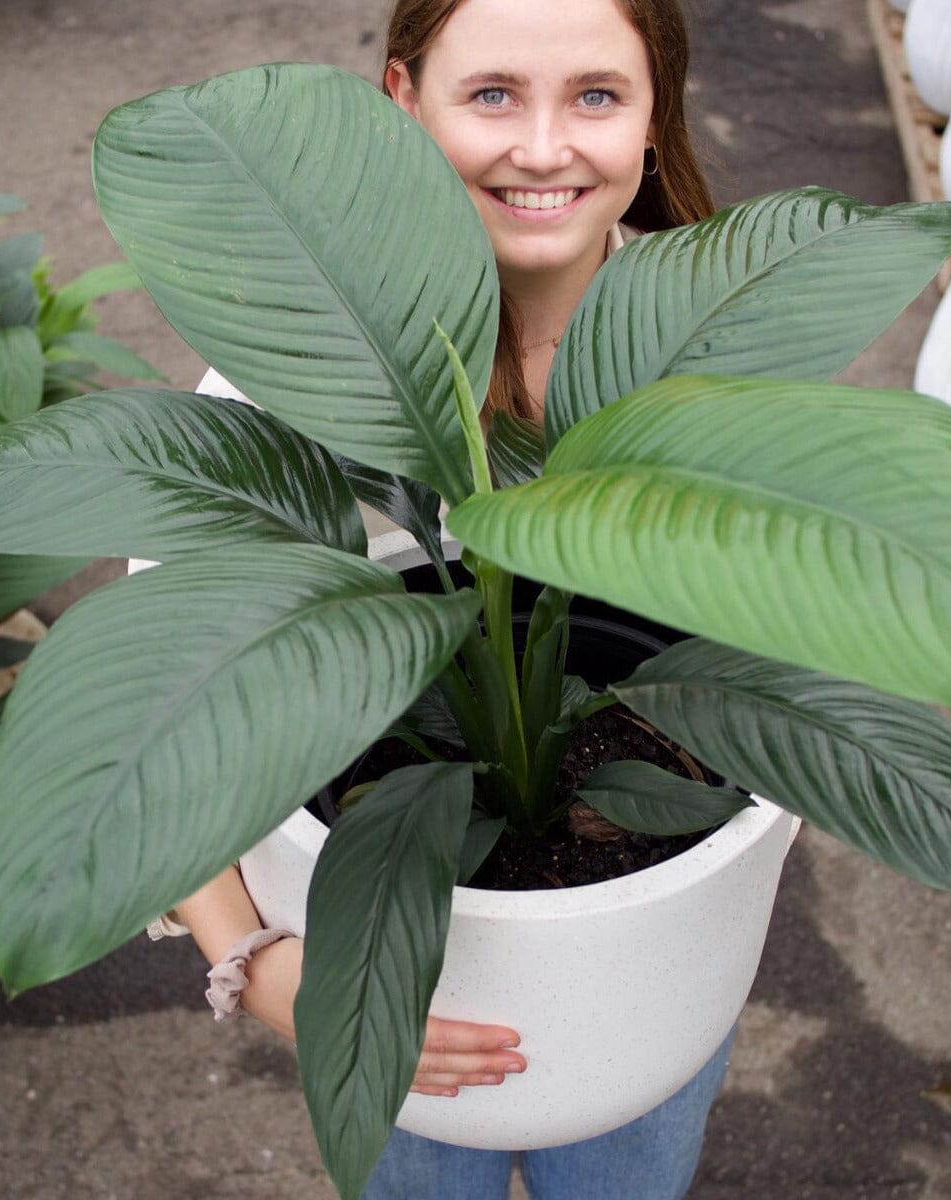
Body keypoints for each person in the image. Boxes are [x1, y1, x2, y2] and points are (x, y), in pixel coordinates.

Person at [150, 0, 724, 1195]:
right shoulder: (297, 370)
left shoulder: (713, 346)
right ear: (405, 104)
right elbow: (156, 703)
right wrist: (248, 958)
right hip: (399, 985)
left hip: (649, 972)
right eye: (494, 94)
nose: (546, 146)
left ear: (656, 115)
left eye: (598, 96)